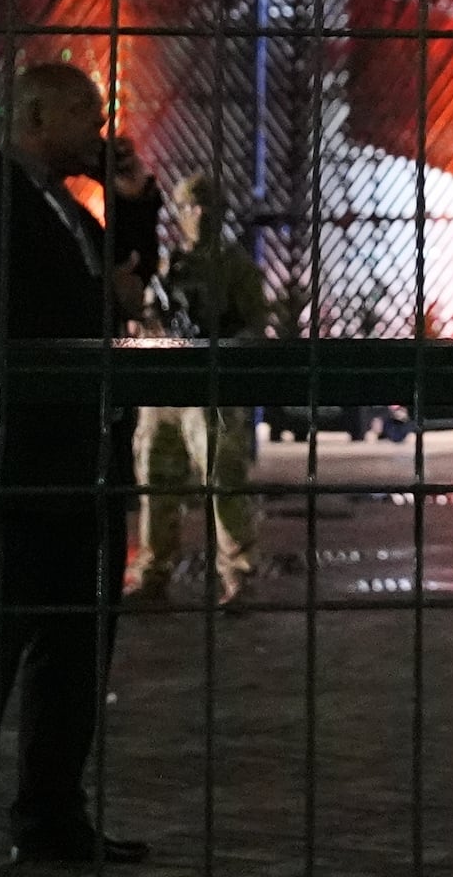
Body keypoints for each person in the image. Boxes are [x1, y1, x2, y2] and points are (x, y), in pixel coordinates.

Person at [0, 61, 150, 868]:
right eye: (86, 115)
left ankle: (51, 813)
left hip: (84, 461)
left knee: (76, 652)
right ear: (38, 115)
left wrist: (136, 204)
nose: (100, 131)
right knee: (5, 648)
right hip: (35, 465)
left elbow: (126, 288)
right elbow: (55, 308)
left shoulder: (62, 205)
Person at [138, 173, 268, 601]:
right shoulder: (167, 266)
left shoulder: (236, 268)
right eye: (192, 207)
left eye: (209, 206)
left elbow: (255, 328)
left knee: (224, 481)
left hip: (210, 390)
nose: (201, 216)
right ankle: (154, 574)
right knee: (156, 482)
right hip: (166, 388)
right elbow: (144, 320)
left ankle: (239, 576)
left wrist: (223, 344)